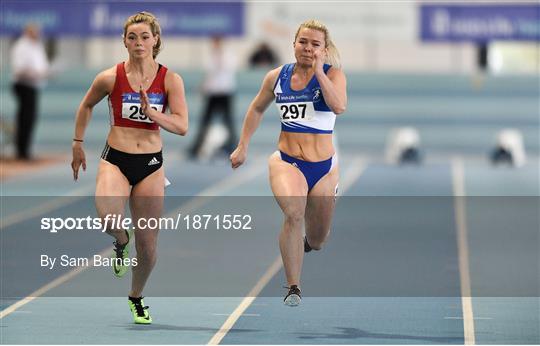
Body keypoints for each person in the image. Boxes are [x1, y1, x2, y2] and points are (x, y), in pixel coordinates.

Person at [71, 12, 188, 324]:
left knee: (149, 249)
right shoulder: (109, 77)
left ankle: (136, 297)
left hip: (150, 164)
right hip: (116, 159)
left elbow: (182, 125)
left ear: (156, 40)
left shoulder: (170, 79)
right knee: (109, 218)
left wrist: (154, 113)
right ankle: (121, 241)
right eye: (132, 37)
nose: (139, 42)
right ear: (124, 41)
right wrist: (77, 142)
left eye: (145, 37)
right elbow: (85, 105)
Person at [230, 20, 347, 306]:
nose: (308, 48)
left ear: (324, 49)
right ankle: (293, 286)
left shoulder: (334, 75)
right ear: (293, 44)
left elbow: (339, 106)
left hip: (323, 168)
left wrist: (320, 72)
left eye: (315, 44)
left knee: (318, 239)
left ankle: (309, 243)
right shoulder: (276, 77)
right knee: (294, 212)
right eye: (303, 42)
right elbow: (257, 107)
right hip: (287, 161)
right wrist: (243, 145)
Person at [188, 36, 237, 159]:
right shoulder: (211, 56)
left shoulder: (228, 55)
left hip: (225, 92)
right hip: (213, 93)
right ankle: (196, 148)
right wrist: (202, 87)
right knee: (205, 121)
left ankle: (233, 147)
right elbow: (209, 75)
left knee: (228, 122)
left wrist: (220, 55)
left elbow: (225, 68)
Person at [10, 23, 50, 160]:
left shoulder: (36, 46)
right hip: (24, 85)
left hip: (34, 85)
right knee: (25, 118)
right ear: (28, 32)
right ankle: (21, 151)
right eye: (35, 32)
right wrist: (35, 74)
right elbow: (20, 70)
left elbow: (41, 66)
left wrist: (44, 73)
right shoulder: (21, 47)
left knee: (30, 118)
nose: (38, 34)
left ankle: (25, 148)